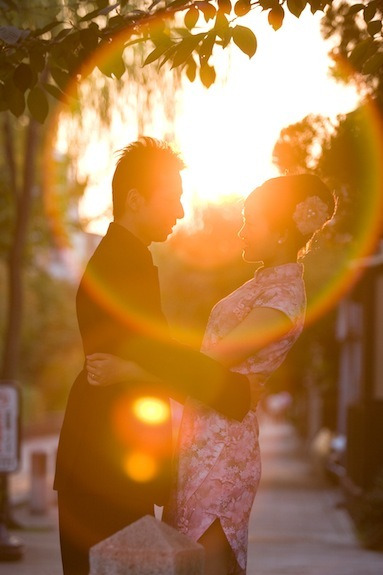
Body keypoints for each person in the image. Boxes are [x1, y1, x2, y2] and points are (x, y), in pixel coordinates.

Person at [86, 174, 336, 574]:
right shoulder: (260, 286)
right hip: (200, 434)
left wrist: (134, 368)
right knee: (185, 559)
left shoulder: (283, 297)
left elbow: (213, 359)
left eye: (251, 220)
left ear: (280, 232)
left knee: (208, 560)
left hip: (224, 449)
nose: (241, 230)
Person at [53, 137, 251, 575]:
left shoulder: (128, 259)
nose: (180, 212)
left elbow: (148, 357)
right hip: (104, 463)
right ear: (136, 199)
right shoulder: (122, 266)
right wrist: (231, 390)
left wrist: (134, 369)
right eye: (174, 199)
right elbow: (160, 353)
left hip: (112, 457)